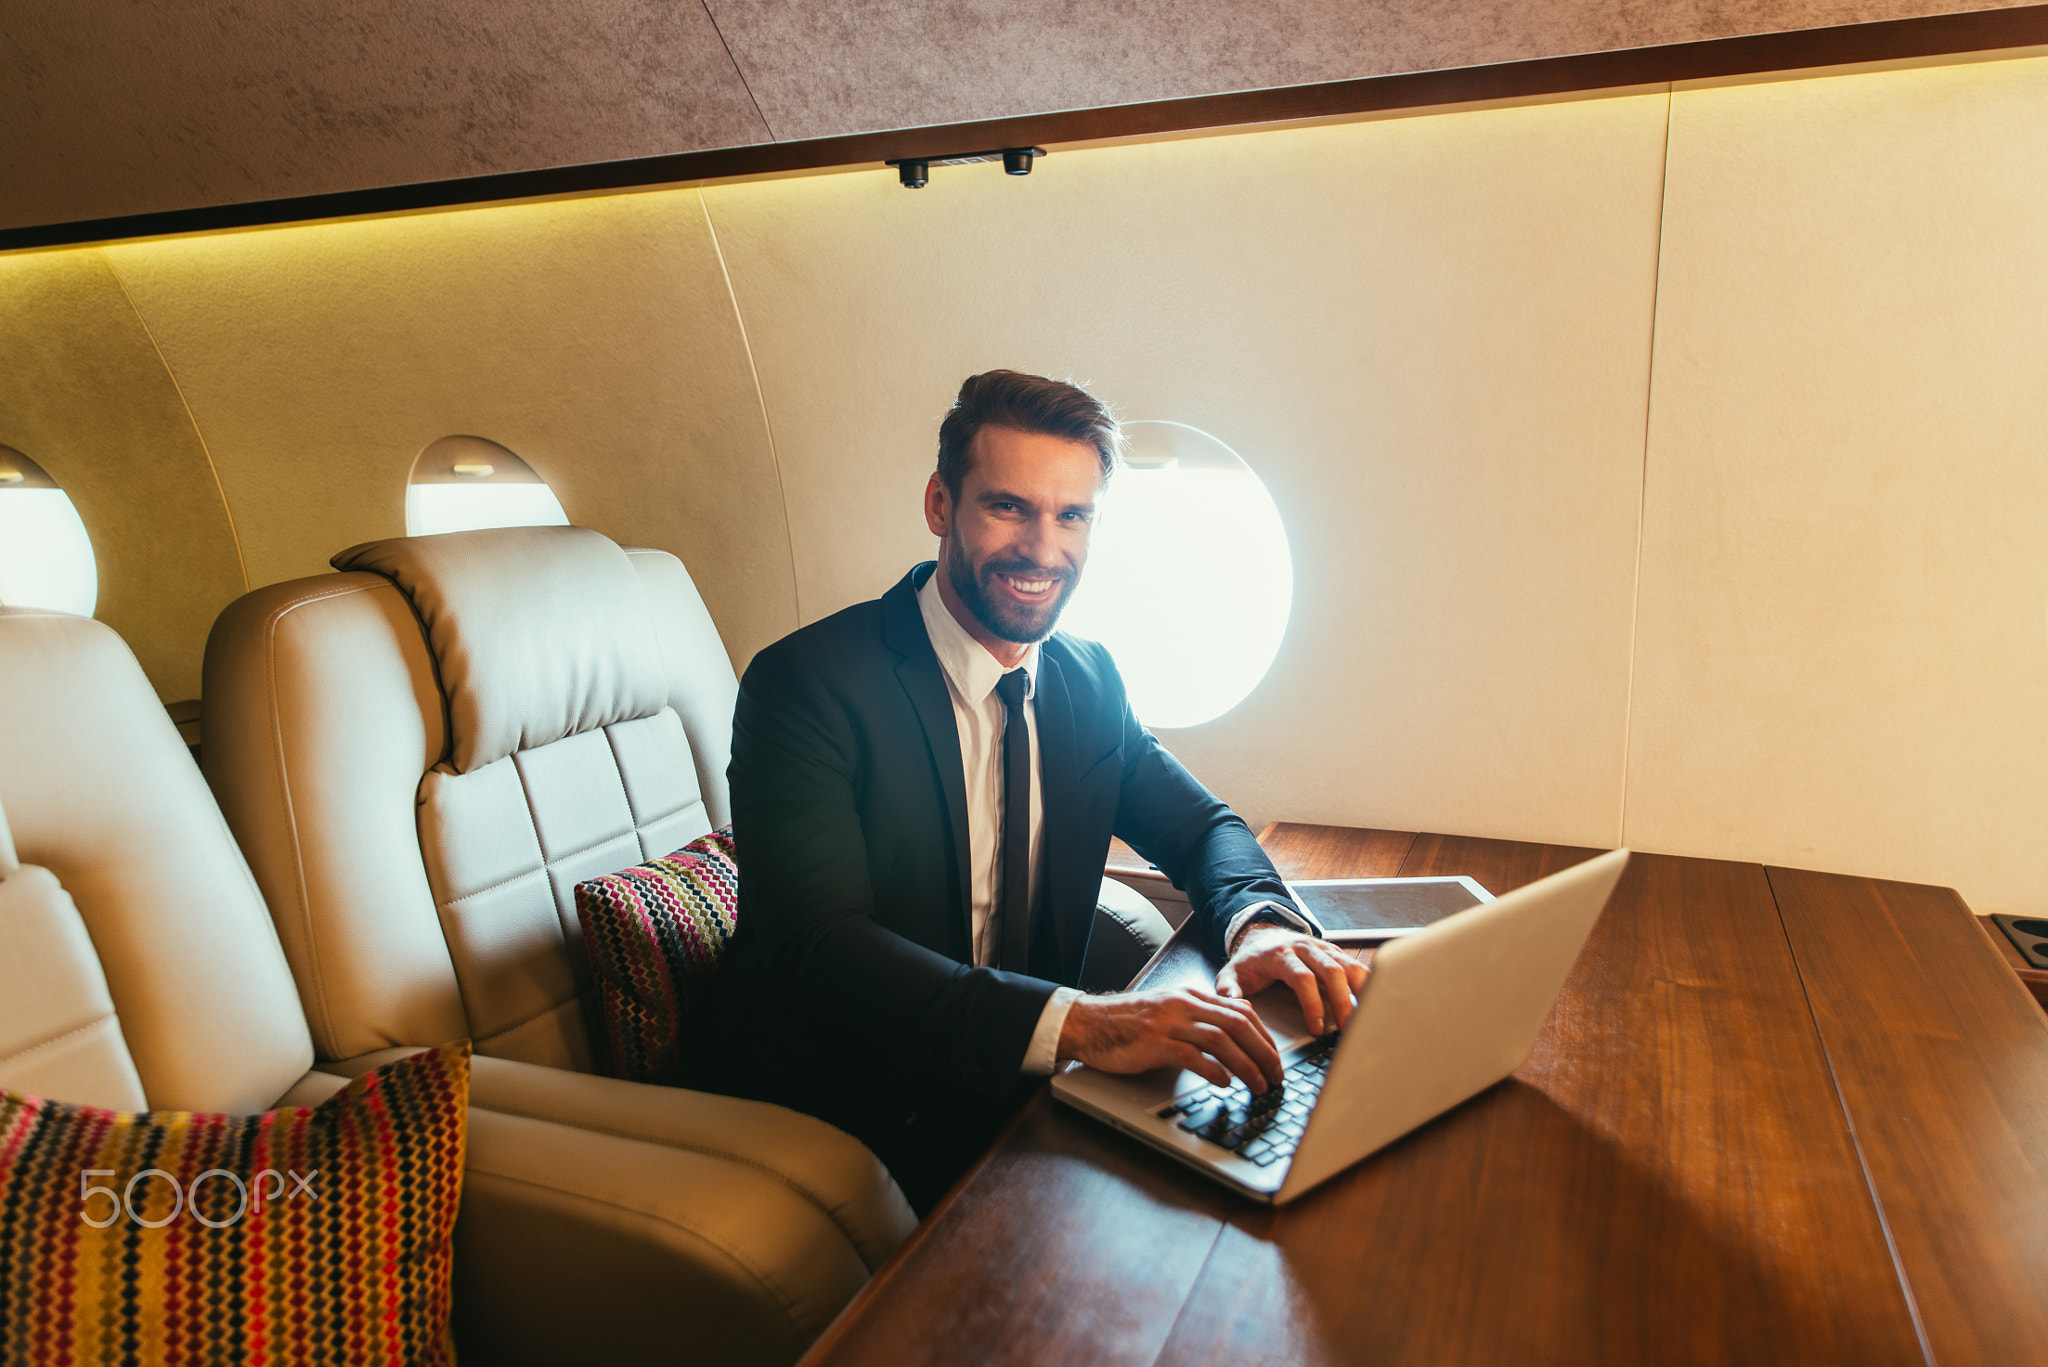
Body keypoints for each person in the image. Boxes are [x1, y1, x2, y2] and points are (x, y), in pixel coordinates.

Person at [687, 370, 1367, 1212]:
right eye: (1008, 507)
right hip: (848, 1090)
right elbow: (819, 951)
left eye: (1071, 514)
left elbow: (1203, 829)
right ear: (941, 504)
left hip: (1017, 1074)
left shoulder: (1088, 680)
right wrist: (1084, 1024)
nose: (1044, 550)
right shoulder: (807, 683)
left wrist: (1259, 923)